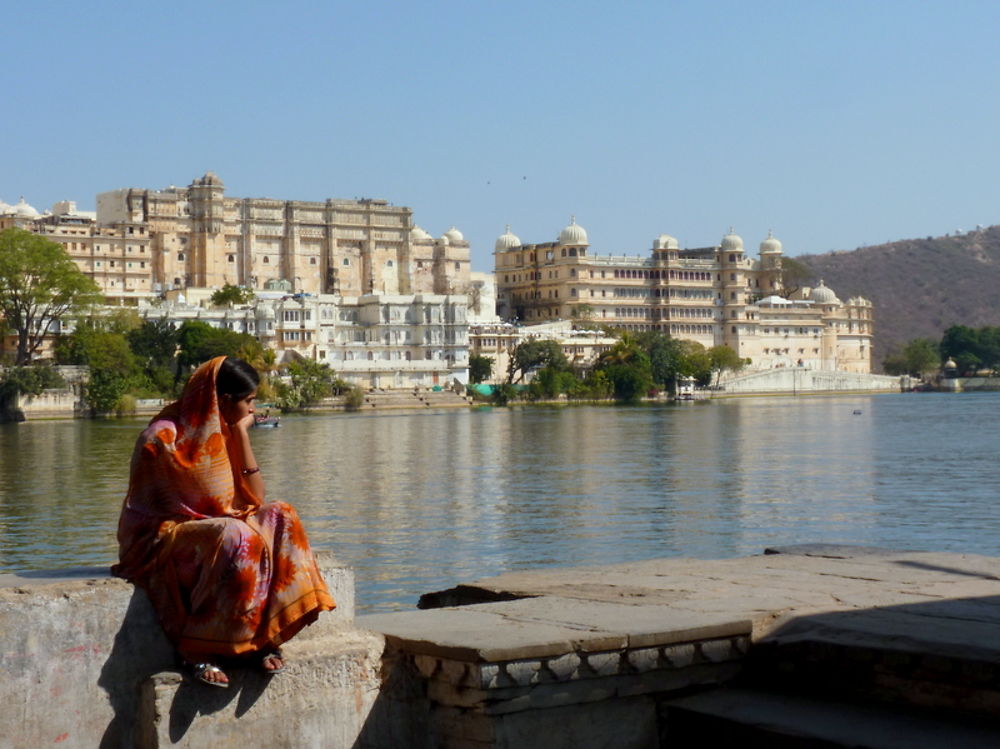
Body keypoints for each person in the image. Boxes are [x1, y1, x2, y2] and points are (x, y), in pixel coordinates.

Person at [112, 356, 335, 687]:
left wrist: (241, 436)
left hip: (219, 523)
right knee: (236, 535)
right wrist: (230, 516)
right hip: (161, 537)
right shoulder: (162, 437)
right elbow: (190, 506)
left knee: (281, 514)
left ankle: (260, 637)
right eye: (248, 401)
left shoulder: (226, 431)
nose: (251, 409)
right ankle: (198, 647)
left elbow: (256, 498)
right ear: (222, 400)